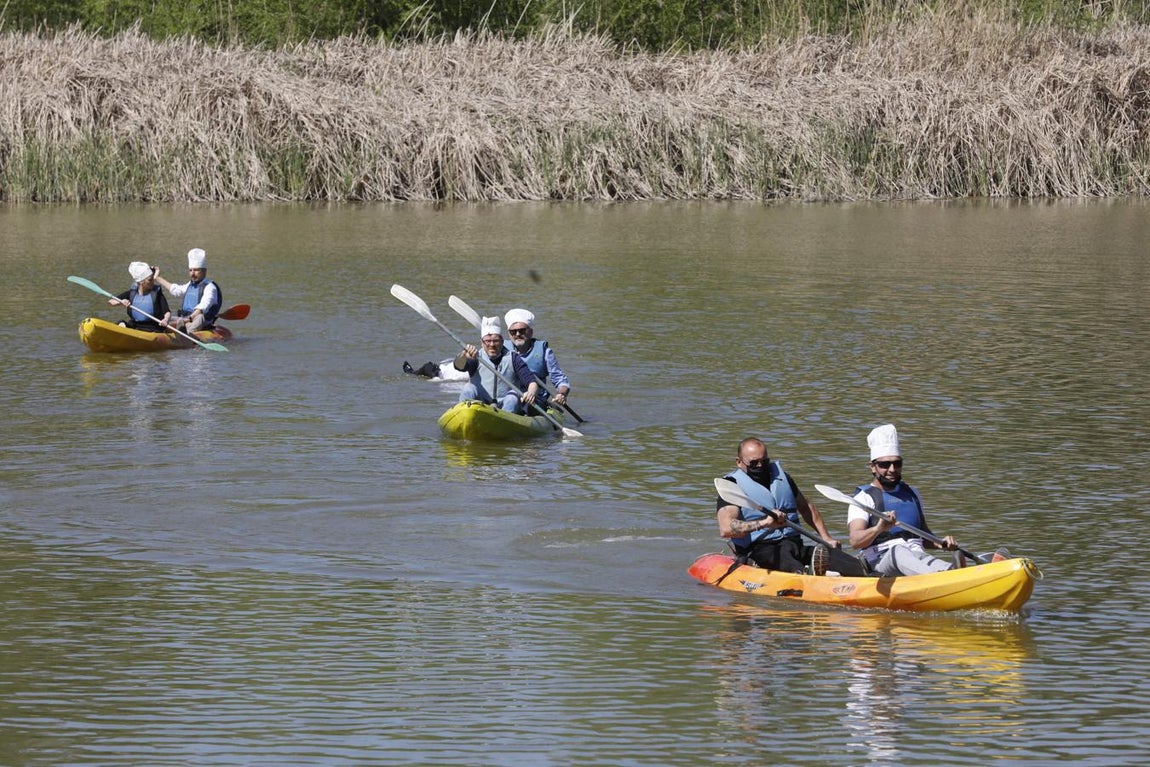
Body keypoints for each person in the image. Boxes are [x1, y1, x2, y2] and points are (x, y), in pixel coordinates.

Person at [847, 424, 960, 576]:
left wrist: (942, 544)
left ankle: (953, 576)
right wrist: (878, 529)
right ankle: (935, 580)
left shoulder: (913, 494)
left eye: (897, 463)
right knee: (898, 551)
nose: (892, 469)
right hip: (879, 562)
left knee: (956, 562)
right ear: (872, 467)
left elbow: (923, 536)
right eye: (885, 464)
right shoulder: (863, 498)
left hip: (918, 557)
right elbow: (855, 541)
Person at [715, 437, 840, 574]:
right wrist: (765, 523)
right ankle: (804, 574)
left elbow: (806, 507)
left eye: (764, 461)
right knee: (788, 561)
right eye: (754, 463)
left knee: (842, 560)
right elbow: (726, 529)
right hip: (760, 550)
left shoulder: (782, 477)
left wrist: (826, 537)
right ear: (739, 462)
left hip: (794, 544)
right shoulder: (731, 487)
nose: (760, 466)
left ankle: (860, 571)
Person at [453, 315, 541, 414]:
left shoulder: (513, 358)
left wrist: (531, 392)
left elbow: (531, 382)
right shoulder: (475, 357)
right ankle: (463, 413)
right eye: (488, 341)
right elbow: (458, 366)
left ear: (502, 342)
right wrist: (464, 354)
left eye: (496, 341)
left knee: (513, 396)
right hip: (480, 404)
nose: (492, 345)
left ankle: (506, 423)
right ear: (482, 343)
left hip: (505, 405)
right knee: (468, 388)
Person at [504, 308, 571, 407]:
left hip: (535, 400)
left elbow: (560, 380)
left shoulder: (545, 352)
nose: (517, 334)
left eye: (522, 330)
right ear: (509, 334)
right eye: (513, 332)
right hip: (508, 397)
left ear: (530, 332)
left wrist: (562, 394)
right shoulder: (502, 348)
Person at [154, 248, 222, 333]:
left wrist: (189, 319)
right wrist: (157, 278)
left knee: (200, 317)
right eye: (191, 270)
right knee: (162, 317)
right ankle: (172, 329)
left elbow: (203, 306)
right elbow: (175, 290)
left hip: (198, 320)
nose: (192, 274)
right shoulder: (190, 285)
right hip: (184, 319)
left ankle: (184, 332)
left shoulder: (210, 287)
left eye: (196, 270)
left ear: (204, 271)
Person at [109, 261, 171, 331]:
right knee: (121, 324)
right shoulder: (131, 293)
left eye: (152, 279)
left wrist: (165, 320)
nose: (153, 282)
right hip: (135, 326)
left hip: (154, 328)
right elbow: (111, 301)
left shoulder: (157, 294)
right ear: (141, 282)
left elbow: (167, 312)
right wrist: (121, 302)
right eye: (150, 280)